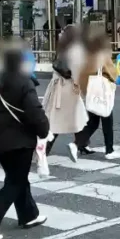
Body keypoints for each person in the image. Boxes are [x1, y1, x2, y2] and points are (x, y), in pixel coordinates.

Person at [0, 44, 51, 239]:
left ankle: (28, 215)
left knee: (17, 178)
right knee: (15, 182)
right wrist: (44, 131)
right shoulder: (24, 82)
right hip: (20, 142)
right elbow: (35, 113)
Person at [74, 30, 120, 158]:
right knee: (107, 119)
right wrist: (114, 79)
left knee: (93, 121)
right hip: (102, 90)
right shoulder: (102, 54)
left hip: (91, 88)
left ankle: (78, 144)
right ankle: (109, 150)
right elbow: (111, 71)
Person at [44, 27, 84, 161]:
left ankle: (79, 144)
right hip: (68, 88)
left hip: (58, 87)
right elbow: (76, 70)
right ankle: (76, 144)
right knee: (77, 118)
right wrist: (79, 84)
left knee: (72, 119)